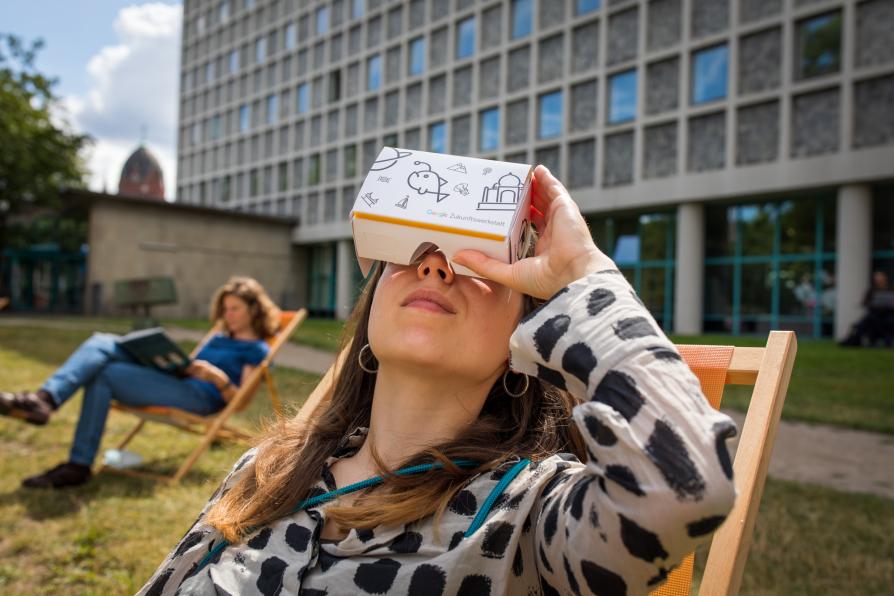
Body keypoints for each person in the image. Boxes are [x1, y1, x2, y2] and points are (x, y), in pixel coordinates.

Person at [139, 166, 738, 595]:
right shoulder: (268, 469)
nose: (433, 263)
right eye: (413, 248)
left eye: (479, 261)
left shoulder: (528, 521)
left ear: (524, 341)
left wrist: (582, 272)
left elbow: (686, 486)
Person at [0, 276, 279, 488]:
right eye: (225, 309)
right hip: (176, 380)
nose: (226, 315)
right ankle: (46, 402)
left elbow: (240, 403)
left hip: (199, 398)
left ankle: (74, 458)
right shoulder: (219, 336)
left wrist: (217, 377)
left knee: (104, 372)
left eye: (235, 309)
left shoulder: (256, 349)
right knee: (100, 343)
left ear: (254, 310)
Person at [840, 271, 894, 347]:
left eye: (880, 279)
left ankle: (885, 341)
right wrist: (872, 304)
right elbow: (865, 302)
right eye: (877, 279)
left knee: (887, 322)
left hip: (889, 314)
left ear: (885, 278)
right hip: (875, 314)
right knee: (863, 323)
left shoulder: (891, 289)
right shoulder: (871, 290)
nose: (878, 281)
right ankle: (854, 340)